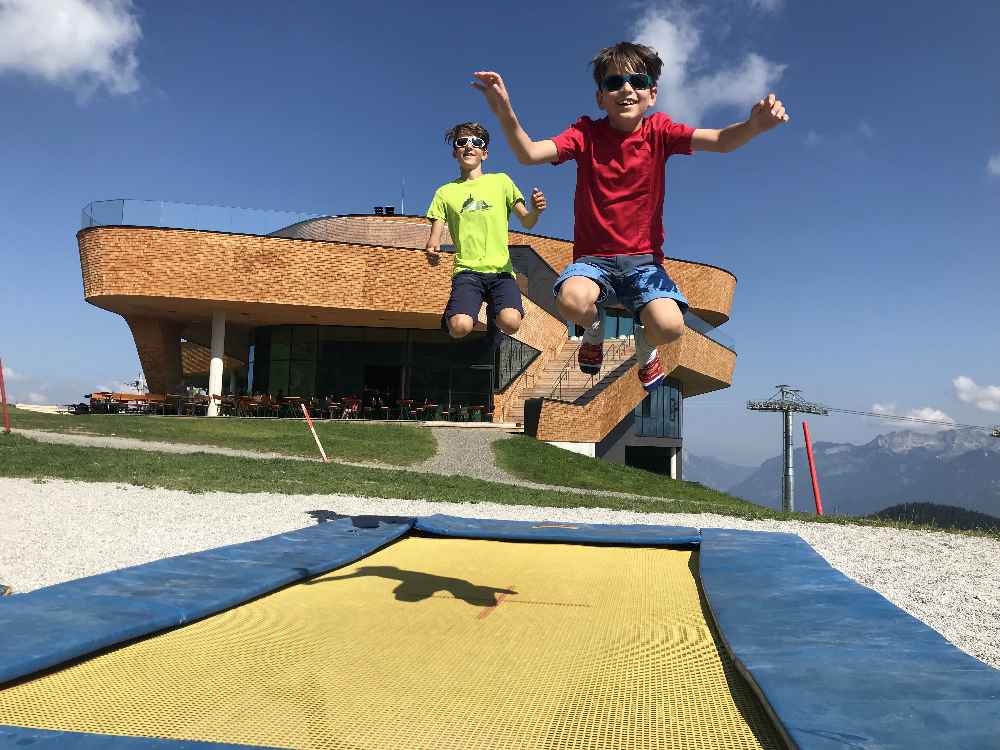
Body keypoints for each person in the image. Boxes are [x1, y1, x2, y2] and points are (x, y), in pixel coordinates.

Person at [472, 42, 789, 390]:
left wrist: (754, 126)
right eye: (614, 83)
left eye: (637, 81)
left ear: (651, 94)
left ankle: (645, 345)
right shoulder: (585, 135)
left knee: (670, 325)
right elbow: (529, 153)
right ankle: (594, 332)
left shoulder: (661, 133)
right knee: (572, 300)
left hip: (643, 263)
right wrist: (505, 111)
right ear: (600, 98)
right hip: (594, 260)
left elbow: (720, 140)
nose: (626, 89)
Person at [426, 122, 547, 346]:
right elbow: (435, 234)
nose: (469, 146)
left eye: (476, 142)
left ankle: (495, 316)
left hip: (501, 272)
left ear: (485, 153)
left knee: (511, 322)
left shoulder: (501, 181)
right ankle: (451, 320)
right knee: (460, 327)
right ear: (455, 152)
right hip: (467, 271)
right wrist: (432, 247)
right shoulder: (445, 192)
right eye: (462, 142)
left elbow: (528, 222)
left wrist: (536, 211)